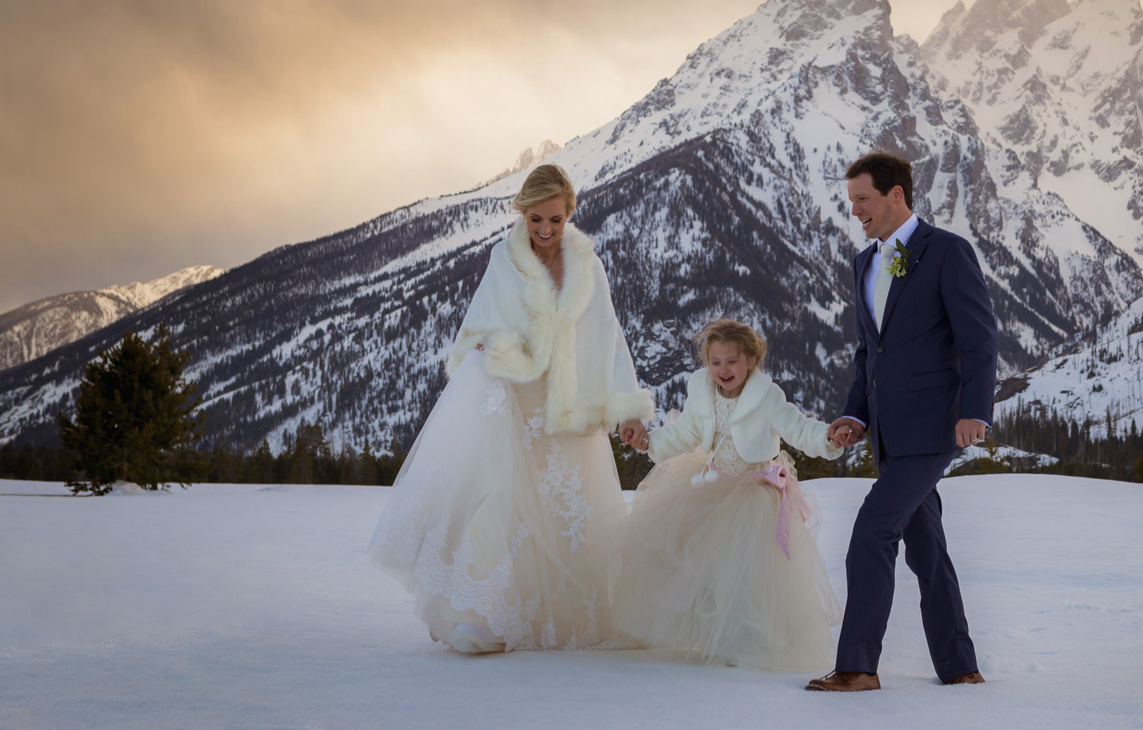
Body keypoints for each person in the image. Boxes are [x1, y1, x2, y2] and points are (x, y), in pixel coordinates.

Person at [369, 163, 654, 653]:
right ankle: (485, 617)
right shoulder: (505, 258)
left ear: (569, 216)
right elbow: (478, 323)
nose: (544, 230)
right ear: (523, 214)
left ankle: (565, 618)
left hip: (569, 410)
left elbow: (608, 336)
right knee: (504, 507)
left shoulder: (588, 265)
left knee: (568, 513)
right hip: (517, 404)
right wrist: (486, 350)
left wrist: (627, 408)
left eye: (555, 220)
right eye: (535, 219)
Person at [807, 151, 996, 692]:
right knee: (927, 548)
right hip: (889, 432)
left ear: (896, 195)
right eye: (851, 202)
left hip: (936, 425)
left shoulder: (948, 252)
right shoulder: (865, 263)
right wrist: (854, 415)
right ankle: (960, 666)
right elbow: (870, 352)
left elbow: (979, 340)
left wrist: (974, 411)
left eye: (863, 200)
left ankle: (858, 667)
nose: (856, 211)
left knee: (872, 530)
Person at [612, 319, 844, 670]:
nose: (723, 370)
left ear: (751, 360)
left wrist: (826, 438)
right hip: (713, 488)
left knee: (749, 578)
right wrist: (650, 442)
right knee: (702, 566)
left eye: (732, 361)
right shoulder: (703, 392)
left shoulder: (767, 396)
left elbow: (798, 427)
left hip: (754, 497)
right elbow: (685, 433)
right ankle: (712, 637)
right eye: (715, 362)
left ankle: (749, 645)